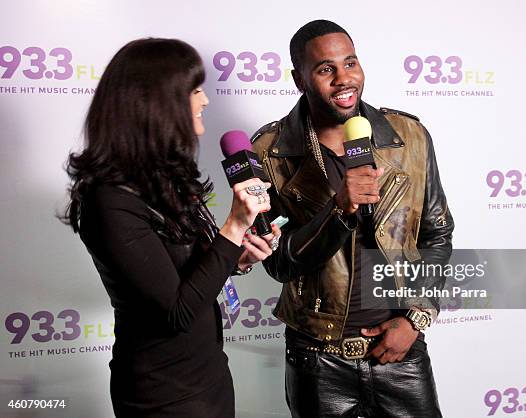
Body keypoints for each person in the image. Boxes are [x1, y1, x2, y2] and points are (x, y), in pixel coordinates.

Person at [62, 38, 280, 417]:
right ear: (158, 103)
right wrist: (233, 225)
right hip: (163, 396)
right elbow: (177, 312)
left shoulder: (167, 179)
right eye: (195, 89)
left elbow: (190, 276)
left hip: (209, 377)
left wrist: (238, 256)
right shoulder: (110, 201)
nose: (206, 100)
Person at [251, 20, 454, 417]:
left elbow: (437, 234)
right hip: (318, 359)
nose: (344, 79)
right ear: (300, 79)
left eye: (351, 63)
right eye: (326, 69)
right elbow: (278, 262)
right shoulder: (268, 153)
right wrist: (337, 210)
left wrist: (415, 318)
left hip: (400, 352)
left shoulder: (408, 136)